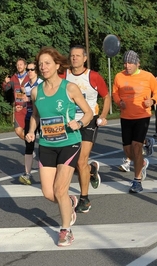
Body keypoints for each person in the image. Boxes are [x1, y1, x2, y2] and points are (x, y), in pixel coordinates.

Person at [25, 46, 93, 246]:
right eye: (40, 64)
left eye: (47, 63)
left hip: (69, 143)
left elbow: (88, 113)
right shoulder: (36, 91)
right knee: (48, 193)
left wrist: (79, 123)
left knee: (59, 189)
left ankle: (65, 230)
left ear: (57, 65)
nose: (43, 67)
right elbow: (36, 116)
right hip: (46, 144)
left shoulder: (69, 88)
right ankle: (70, 202)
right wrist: (31, 131)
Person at [63, 45, 111, 213]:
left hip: (88, 121)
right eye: (72, 55)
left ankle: (85, 199)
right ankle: (92, 170)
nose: (74, 58)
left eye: (78, 56)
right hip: (70, 123)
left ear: (84, 58)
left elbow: (106, 96)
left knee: (81, 161)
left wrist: (103, 116)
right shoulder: (64, 76)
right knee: (75, 162)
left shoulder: (94, 77)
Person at [112, 50, 157, 193]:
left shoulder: (147, 76)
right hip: (126, 117)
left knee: (136, 146)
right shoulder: (119, 76)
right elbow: (115, 92)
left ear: (137, 64)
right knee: (128, 151)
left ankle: (137, 181)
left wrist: (152, 101)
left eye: (130, 63)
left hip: (142, 115)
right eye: (125, 62)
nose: (127, 65)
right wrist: (118, 101)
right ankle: (143, 162)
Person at [18, 62, 44, 185]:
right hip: (30, 117)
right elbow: (23, 101)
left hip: (43, 118)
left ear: (37, 71)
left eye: (32, 69)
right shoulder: (26, 85)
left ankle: (47, 173)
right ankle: (27, 174)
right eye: (28, 69)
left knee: (44, 146)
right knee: (29, 145)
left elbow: (42, 100)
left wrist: (28, 99)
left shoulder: (41, 84)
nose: (29, 71)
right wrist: (21, 105)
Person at [2, 58, 30, 140]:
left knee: (31, 130)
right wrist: (5, 82)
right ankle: (29, 142)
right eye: (17, 65)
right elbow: (6, 88)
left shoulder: (30, 76)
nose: (19, 66)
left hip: (29, 108)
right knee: (18, 131)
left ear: (25, 66)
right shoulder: (14, 77)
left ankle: (30, 147)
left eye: (21, 64)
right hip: (18, 109)